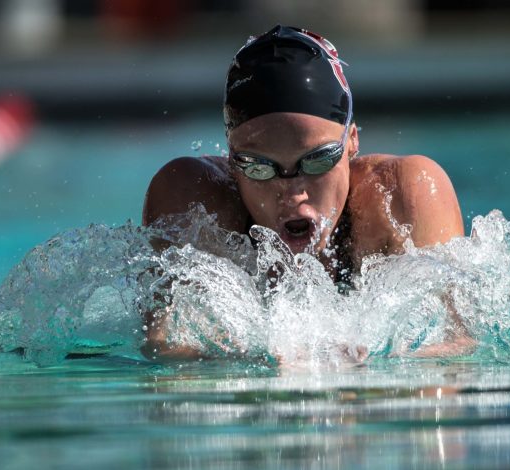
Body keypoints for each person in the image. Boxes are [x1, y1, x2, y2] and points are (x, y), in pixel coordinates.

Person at [141, 25, 466, 360]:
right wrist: (252, 363)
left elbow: (459, 345)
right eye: (258, 166)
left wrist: (370, 369)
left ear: (351, 141)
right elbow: (159, 349)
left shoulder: (401, 196)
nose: (291, 191)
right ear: (233, 162)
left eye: (317, 160)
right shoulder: (195, 203)